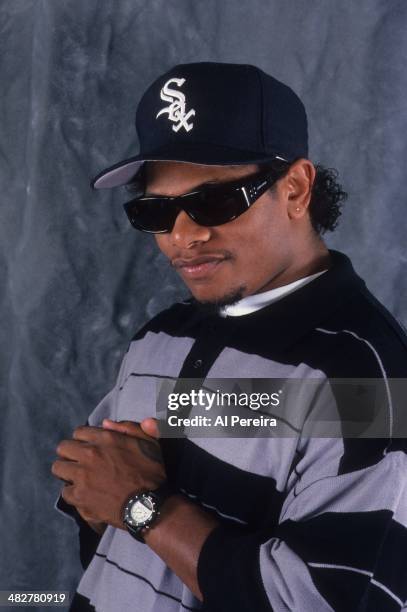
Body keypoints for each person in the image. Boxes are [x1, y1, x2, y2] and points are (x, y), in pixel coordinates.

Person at [52, 62, 407, 612]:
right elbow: (108, 541)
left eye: (215, 201)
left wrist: (142, 504)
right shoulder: (157, 340)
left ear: (296, 188)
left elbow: (319, 603)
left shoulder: (360, 376)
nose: (183, 236)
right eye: (156, 211)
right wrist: (96, 502)